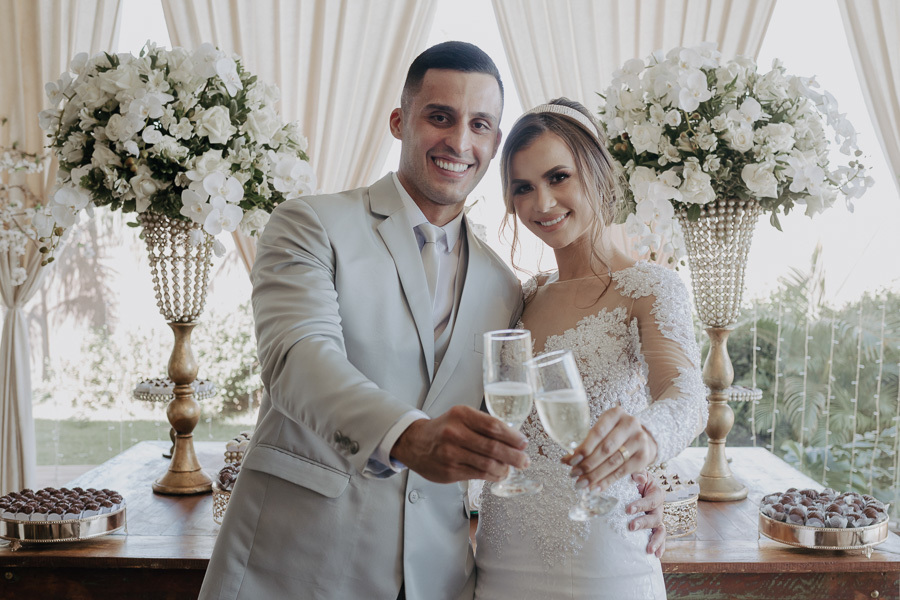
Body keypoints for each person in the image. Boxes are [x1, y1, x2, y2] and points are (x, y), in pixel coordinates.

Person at [199, 44, 664, 600]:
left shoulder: (506, 287)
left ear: (495, 145)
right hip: (297, 567)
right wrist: (407, 437)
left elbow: (526, 425)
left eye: (480, 125)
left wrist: (635, 477)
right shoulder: (311, 224)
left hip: (441, 579)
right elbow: (298, 360)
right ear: (400, 122)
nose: (459, 141)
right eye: (440, 116)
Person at [474, 99, 709, 599]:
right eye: (523, 187)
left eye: (559, 177)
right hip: (502, 553)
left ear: (597, 174)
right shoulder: (521, 298)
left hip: (604, 550)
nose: (542, 202)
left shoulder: (650, 286)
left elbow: (685, 393)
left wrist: (648, 439)